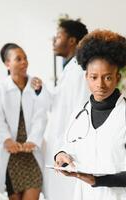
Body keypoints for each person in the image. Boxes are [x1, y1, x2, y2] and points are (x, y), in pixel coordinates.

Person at [54, 30, 126, 200]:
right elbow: (67, 147)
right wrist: (60, 156)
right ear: (86, 77)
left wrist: (96, 180)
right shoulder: (78, 115)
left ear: (117, 77)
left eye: (107, 78)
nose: (100, 84)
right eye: (94, 77)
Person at [31, 19, 90, 200]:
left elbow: (81, 111)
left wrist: (70, 145)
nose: (53, 41)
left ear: (72, 41)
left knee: (66, 192)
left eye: (58, 36)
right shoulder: (68, 69)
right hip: (59, 144)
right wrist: (42, 90)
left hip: (69, 146)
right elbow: (57, 104)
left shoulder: (81, 70)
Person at [0, 43, 48, 200]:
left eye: (25, 58)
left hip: (31, 152)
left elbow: (41, 117)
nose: (24, 62)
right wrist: (7, 140)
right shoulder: (0, 88)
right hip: (10, 154)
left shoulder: (36, 85)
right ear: (7, 64)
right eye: (18, 59)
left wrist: (33, 141)